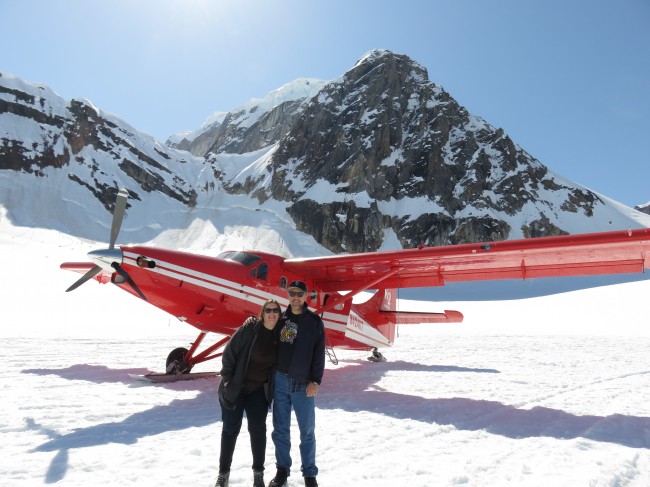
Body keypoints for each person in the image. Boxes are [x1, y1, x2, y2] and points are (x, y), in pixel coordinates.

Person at [215, 299, 281, 487]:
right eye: (268, 310)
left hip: (259, 391)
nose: (271, 313)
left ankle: (258, 474)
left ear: (279, 314)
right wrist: (227, 379)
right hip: (236, 388)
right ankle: (223, 475)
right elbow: (229, 353)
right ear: (262, 313)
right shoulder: (250, 329)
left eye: (275, 310)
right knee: (230, 430)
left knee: (258, 431)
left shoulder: (279, 335)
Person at [268, 281, 326, 487]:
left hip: (303, 384)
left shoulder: (314, 321)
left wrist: (315, 381)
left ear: (305, 296)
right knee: (280, 430)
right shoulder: (281, 318)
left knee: (307, 432)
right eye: (292, 293)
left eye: (299, 294)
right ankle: (282, 470)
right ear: (288, 295)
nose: (295, 297)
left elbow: (319, 354)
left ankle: (310, 475)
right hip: (281, 381)